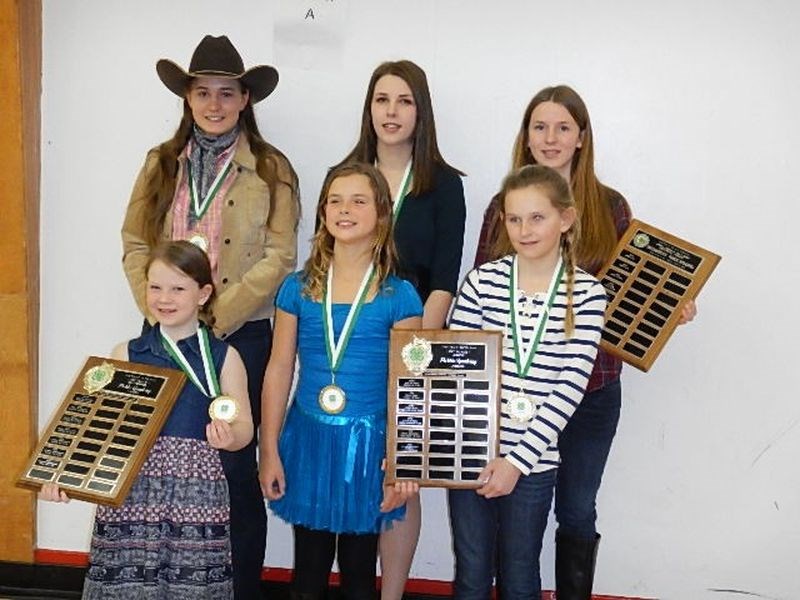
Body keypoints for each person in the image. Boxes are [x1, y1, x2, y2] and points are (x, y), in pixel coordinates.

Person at [473, 85, 696, 598]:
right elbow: (483, 291)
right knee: (514, 516)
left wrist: (669, 307)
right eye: (539, 126)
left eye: (563, 127)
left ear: (581, 139)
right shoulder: (500, 206)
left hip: (591, 390)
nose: (550, 138)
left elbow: (633, 292)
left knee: (576, 509)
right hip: (516, 400)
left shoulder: (610, 206)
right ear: (526, 138)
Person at [121, 35, 299, 598]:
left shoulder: (271, 168)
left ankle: (240, 590)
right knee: (160, 469)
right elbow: (133, 241)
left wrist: (214, 316)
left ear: (246, 99)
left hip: (238, 337)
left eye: (227, 93)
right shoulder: (161, 163)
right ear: (188, 98)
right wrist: (161, 303)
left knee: (235, 475)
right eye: (203, 92)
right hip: (167, 338)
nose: (214, 104)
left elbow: (281, 256)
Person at [41, 240, 253, 599]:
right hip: (132, 487)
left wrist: (229, 439)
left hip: (197, 491)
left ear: (203, 294)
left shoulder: (225, 356)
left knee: (191, 585)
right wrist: (61, 477)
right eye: (155, 287)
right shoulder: (127, 353)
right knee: (128, 584)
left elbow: (245, 427)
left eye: (178, 288)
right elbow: (97, 428)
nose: (164, 298)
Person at [334, 59, 466, 599]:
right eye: (382, 100)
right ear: (369, 108)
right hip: (352, 351)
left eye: (405, 101)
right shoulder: (343, 176)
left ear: (421, 111)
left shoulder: (443, 186)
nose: (392, 112)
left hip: (415, 349)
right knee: (350, 468)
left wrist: (414, 352)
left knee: (402, 477)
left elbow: (444, 276)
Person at [259, 163, 421, 600]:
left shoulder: (400, 297)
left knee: (358, 575)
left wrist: (402, 459)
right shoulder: (297, 289)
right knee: (307, 574)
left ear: (382, 215)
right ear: (322, 212)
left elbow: (409, 386)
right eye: (335, 200)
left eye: (358, 200)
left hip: (368, 448)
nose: (344, 209)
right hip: (308, 439)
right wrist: (269, 448)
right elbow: (278, 368)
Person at [448, 164, 606, 599]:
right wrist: (427, 445)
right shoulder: (482, 282)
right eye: (514, 219)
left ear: (566, 219)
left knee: (520, 574)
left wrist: (517, 461)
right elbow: (454, 373)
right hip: (471, 454)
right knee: (472, 572)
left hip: (533, 462)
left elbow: (571, 386)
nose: (524, 229)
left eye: (537, 217)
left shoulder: (588, 293)